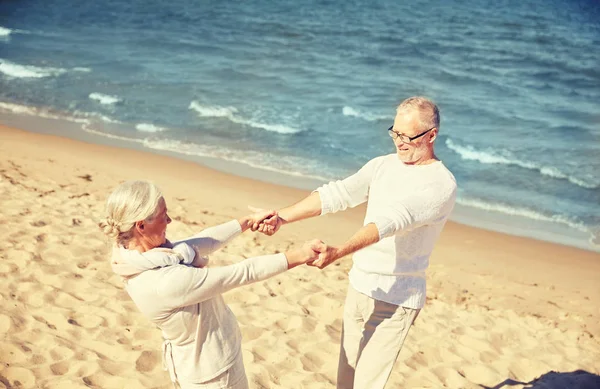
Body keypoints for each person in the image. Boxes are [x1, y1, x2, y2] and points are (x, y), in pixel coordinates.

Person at [253, 96, 457, 389]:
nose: (399, 142)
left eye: (407, 136)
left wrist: (339, 252)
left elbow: (392, 221)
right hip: (359, 286)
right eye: (395, 133)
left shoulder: (440, 184)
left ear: (431, 135)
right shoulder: (383, 165)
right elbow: (338, 194)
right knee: (345, 383)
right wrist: (281, 217)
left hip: (395, 300)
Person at [99, 180, 321, 389]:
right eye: (164, 216)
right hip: (214, 375)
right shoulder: (165, 282)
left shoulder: (134, 256)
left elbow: (201, 242)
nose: (169, 221)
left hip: (201, 364)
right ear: (141, 226)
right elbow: (243, 272)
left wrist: (247, 222)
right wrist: (301, 255)